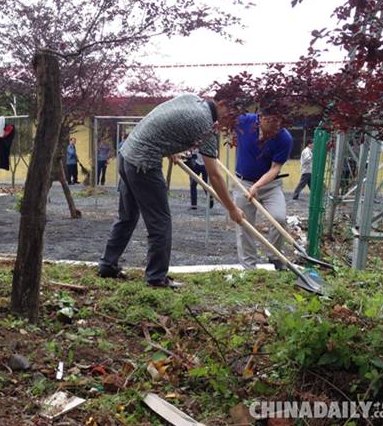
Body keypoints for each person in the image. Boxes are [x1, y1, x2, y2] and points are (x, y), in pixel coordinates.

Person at [98, 94, 244, 288]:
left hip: (127, 154)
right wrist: (232, 208)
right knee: (160, 221)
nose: (230, 120)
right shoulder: (206, 125)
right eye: (231, 114)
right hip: (143, 162)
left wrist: (168, 149)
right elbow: (215, 175)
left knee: (127, 216)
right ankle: (156, 278)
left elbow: (163, 123)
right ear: (222, 104)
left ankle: (107, 265)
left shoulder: (192, 99)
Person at [234, 106, 293, 270]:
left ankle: (275, 256)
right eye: (272, 120)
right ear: (261, 117)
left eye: (279, 120)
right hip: (243, 182)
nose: (276, 125)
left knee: (279, 218)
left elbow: (275, 168)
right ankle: (249, 267)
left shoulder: (284, 138)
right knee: (244, 224)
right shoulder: (244, 121)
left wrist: (258, 185)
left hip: (270, 185)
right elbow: (220, 121)